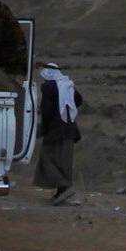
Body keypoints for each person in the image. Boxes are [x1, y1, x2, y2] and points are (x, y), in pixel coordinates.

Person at [35, 59, 83, 204]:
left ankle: (65, 187)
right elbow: (79, 100)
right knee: (64, 162)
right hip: (70, 129)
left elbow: (46, 111)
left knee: (47, 159)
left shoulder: (48, 87)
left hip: (56, 130)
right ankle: (62, 194)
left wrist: (44, 129)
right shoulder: (67, 85)